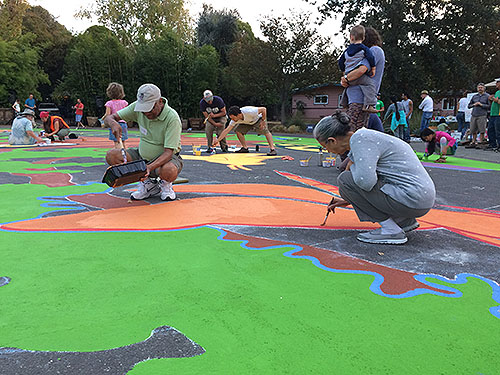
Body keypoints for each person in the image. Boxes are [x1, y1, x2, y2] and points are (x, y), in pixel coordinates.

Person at [314, 111, 435, 244]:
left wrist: (351, 168)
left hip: (411, 198)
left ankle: (391, 231)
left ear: (332, 140)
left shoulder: (360, 139)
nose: (328, 151)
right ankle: (403, 221)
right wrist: (350, 199)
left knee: (345, 180)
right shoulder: (367, 137)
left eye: (326, 147)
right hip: (419, 198)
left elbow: (365, 182)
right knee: (352, 178)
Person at [104, 83, 183, 201]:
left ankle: (166, 185)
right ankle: (148, 184)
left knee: (169, 170)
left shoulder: (172, 118)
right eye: (143, 109)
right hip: (142, 156)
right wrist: (113, 123)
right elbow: (109, 118)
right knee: (112, 156)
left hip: (166, 159)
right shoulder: (137, 108)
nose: (146, 113)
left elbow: (168, 153)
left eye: (149, 108)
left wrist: (149, 167)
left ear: (160, 101)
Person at [340, 27, 385, 131]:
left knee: (353, 130)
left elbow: (361, 70)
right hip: (356, 99)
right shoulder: (362, 53)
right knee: (353, 129)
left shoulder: (374, 50)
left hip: (359, 99)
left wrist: (346, 79)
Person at [338, 25, 377, 112]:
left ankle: (344, 103)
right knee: (370, 84)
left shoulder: (346, 51)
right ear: (363, 38)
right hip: (358, 76)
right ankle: (369, 105)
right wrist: (373, 68)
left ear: (351, 37)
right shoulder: (364, 49)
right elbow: (370, 57)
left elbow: (340, 62)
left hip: (348, 76)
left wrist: (344, 71)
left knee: (348, 86)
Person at [213, 105, 277, 156]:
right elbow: (226, 130)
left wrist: (263, 120)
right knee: (238, 130)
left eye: (233, 118)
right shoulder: (234, 120)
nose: (232, 120)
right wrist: (217, 140)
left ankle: (272, 149)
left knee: (265, 131)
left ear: (238, 115)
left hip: (258, 119)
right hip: (247, 122)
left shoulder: (249, 111)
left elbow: (263, 109)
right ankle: (245, 148)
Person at [102, 82, 129, 149]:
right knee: (123, 142)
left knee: (117, 142)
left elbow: (108, 114)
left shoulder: (109, 103)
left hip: (114, 124)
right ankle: (126, 156)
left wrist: (103, 118)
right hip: (123, 123)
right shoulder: (124, 103)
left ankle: (120, 156)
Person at [467, 83, 490, 148]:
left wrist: (481, 105)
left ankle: (481, 141)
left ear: (484, 88)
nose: (480, 89)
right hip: (474, 114)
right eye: (479, 87)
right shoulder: (474, 96)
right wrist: (474, 105)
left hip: (482, 114)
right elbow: (469, 105)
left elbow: (489, 106)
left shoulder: (487, 96)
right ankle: (473, 141)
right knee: (473, 129)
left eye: (481, 87)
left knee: (482, 129)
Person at [486, 78, 500, 152]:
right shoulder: (497, 92)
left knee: (498, 131)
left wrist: (497, 100)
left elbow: (498, 101)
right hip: (493, 114)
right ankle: (492, 144)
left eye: (498, 82)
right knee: (490, 130)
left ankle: (499, 146)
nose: (496, 84)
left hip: (498, 114)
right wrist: (491, 99)